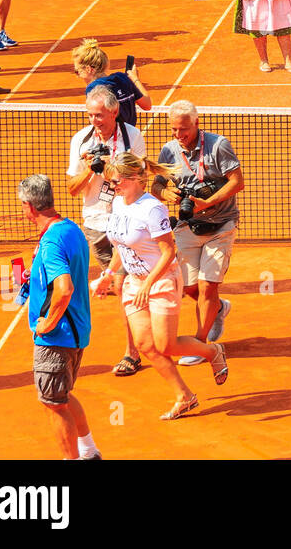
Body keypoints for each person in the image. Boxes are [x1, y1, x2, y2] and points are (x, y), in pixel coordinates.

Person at [93, 152, 228, 419]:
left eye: (116, 180)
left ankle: (213, 351)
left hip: (162, 279)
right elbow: (120, 243)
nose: (112, 186)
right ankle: (185, 397)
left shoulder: (152, 208)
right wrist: (108, 274)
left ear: (133, 179)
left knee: (166, 345)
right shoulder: (118, 205)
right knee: (145, 345)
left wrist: (149, 284)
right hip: (135, 283)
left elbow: (168, 251)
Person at [154, 100, 244, 361]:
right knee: (189, 287)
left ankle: (200, 344)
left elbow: (238, 182)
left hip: (221, 224)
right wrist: (166, 192)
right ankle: (217, 309)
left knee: (207, 287)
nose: (178, 135)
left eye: (183, 129)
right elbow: (156, 186)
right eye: (174, 130)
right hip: (187, 227)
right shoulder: (169, 151)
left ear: (196, 123)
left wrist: (208, 202)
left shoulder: (218, 146)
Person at [18, 174, 100, 460]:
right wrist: (36, 275)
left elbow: (64, 289)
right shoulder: (69, 229)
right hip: (76, 331)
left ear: (30, 206)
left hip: (58, 336)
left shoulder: (51, 241)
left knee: (53, 403)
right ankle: (89, 451)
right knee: (61, 396)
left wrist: (48, 324)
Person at [66, 86, 146, 375]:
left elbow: (140, 178)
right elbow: (73, 189)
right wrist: (89, 168)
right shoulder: (80, 140)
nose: (94, 120)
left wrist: (111, 170)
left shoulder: (132, 136)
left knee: (124, 282)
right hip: (97, 223)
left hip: (129, 221)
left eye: (99, 114)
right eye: (90, 115)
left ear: (114, 112)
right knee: (118, 286)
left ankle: (132, 352)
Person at [71, 37, 152, 127]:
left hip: (113, 138)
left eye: (77, 72)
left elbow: (100, 122)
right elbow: (147, 105)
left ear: (89, 69)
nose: (78, 76)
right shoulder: (123, 78)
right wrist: (135, 79)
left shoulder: (92, 88)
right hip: (132, 136)